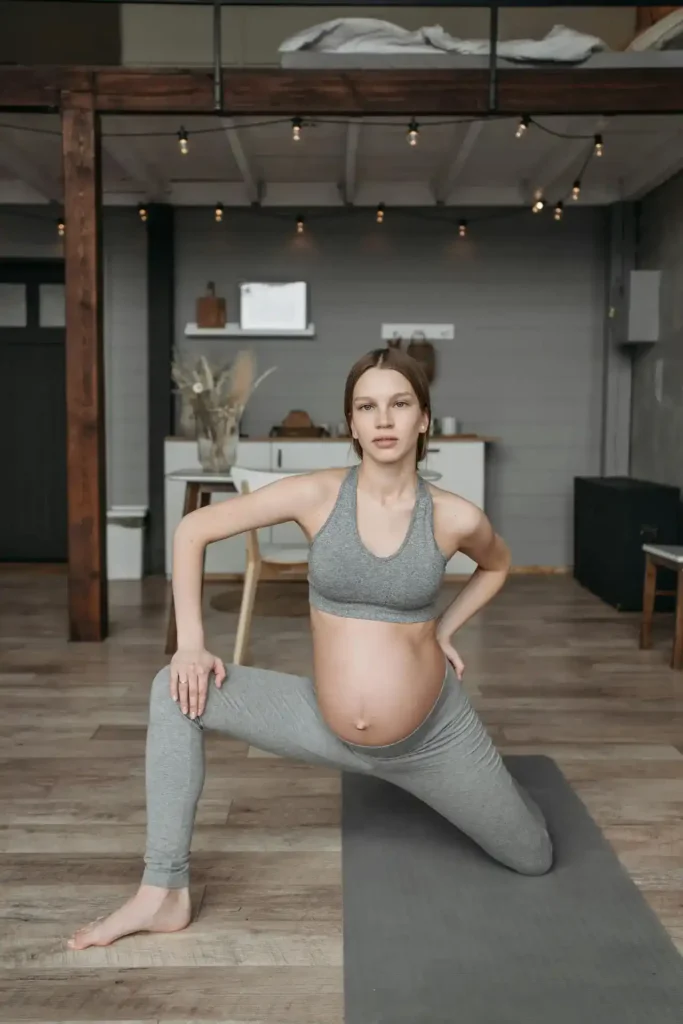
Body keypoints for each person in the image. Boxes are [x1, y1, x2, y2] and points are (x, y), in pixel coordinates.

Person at [68, 346, 553, 951]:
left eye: (399, 404)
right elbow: (193, 529)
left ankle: (495, 788)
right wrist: (190, 645)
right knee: (174, 693)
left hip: (434, 735)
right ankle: (162, 892)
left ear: (423, 419)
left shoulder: (454, 517)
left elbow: (497, 565)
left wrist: (445, 628)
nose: (383, 419)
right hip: (321, 721)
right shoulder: (317, 496)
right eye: (366, 406)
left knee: (533, 856)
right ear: (350, 422)